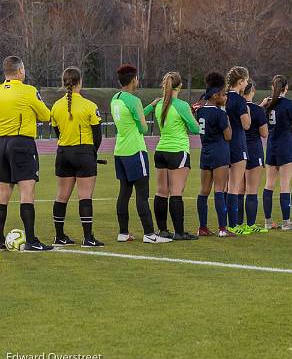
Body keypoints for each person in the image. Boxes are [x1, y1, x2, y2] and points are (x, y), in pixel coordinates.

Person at [111, 64, 169, 244]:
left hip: (120, 151)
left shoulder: (116, 98)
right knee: (142, 194)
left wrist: (150, 106)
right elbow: (143, 128)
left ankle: (123, 232)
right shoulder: (133, 100)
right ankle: (150, 234)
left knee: (124, 192)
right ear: (133, 80)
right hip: (135, 150)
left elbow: (132, 119)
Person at [0, 56, 53, 251]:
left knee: (2, 194)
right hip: (21, 142)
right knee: (27, 192)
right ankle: (31, 240)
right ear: (20, 70)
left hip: (0, 143)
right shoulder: (28, 91)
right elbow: (46, 115)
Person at [50, 67, 103, 248]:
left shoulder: (56, 106)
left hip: (63, 153)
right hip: (84, 152)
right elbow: (97, 136)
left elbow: (57, 132)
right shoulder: (89, 106)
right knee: (85, 196)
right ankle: (88, 238)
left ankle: (59, 236)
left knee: (61, 196)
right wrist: (91, 153)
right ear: (80, 82)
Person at [152, 71, 200, 241]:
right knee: (176, 192)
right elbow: (195, 129)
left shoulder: (159, 105)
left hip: (161, 150)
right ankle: (179, 232)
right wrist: (191, 115)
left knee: (161, 192)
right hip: (177, 151)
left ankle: (163, 230)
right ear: (179, 86)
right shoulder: (181, 105)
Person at [196, 72, 233, 237]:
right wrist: (227, 118)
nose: (225, 97)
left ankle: (202, 227)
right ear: (216, 95)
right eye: (223, 94)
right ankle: (222, 228)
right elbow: (228, 136)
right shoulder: (220, 113)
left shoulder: (201, 112)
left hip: (205, 151)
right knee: (219, 189)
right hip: (219, 152)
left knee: (204, 189)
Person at [262, 75, 292, 231]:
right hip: (285, 145)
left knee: (269, 183)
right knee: (284, 184)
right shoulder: (288, 104)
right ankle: (286, 222)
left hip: (271, 146)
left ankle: (267, 221)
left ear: (273, 87)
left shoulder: (268, 104)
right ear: (286, 87)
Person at [239, 81, 269, 233]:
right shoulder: (257, 110)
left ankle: (237, 224)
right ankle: (250, 225)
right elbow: (264, 133)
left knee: (238, 189)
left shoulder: (236, 106)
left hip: (238, 149)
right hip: (254, 150)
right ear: (253, 91)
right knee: (251, 190)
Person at [225, 66, 251, 235]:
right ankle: (233, 225)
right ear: (240, 82)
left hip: (223, 145)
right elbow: (246, 125)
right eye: (246, 81)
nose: (247, 84)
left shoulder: (222, 97)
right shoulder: (240, 101)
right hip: (237, 145)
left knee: (226, 186)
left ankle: (225, 224)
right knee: (234, 186)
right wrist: (248, 110)